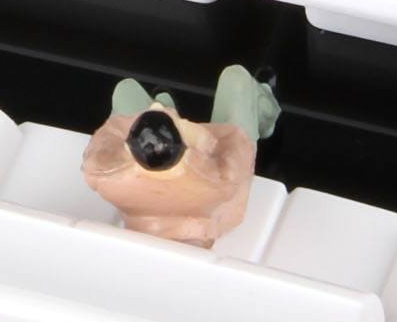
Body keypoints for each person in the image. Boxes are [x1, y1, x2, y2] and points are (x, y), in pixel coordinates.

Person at [81, 65, 280, 247]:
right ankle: (266, 108)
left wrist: (156, 118)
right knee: (236, 78)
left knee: (126, 89)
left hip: (139, 207)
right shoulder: (213, 180)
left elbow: (104, 142)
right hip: (214, 174)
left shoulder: (108, 174)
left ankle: (163, 103)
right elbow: (236, 150)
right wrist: (204, 142)